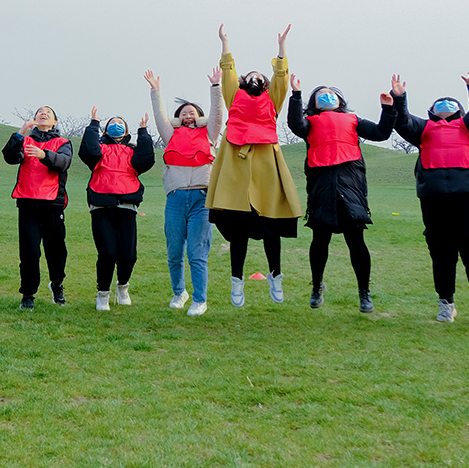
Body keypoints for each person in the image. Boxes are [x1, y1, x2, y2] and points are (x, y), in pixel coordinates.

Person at [391, 73, 469, 328]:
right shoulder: (423, 129)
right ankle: (445, 304)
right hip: (434, 197)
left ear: (460, 111)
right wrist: (399, 97)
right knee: (442, 253)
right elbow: (402, 122)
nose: (444, 106)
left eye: (450, 104)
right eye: (439, 104)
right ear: (430, 112)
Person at [206, 25, 303, 308]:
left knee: (271, 227)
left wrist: (282, 48)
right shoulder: (234, 96)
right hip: (236, 166)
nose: (255, 79)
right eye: (250, 76)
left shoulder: (271, 101)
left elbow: (281, 78)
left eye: (260, 77)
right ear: (242, 82)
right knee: (239, 231)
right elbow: (228, 73)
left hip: (266, 165)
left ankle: (275, 274)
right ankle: (237, 281)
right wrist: (225, 43)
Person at [288, 78, 396, 313]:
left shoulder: (353, 120)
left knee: (356, 240)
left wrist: (388, 108)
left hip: (351, 184)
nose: (327, 95)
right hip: (322, 185)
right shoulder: (309, 123)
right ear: (315, 103)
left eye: (331, 93)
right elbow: (295, 125)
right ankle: (317, 285)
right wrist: (296, 96)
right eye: (321, 94)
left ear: (340, 101)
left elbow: (381, 133)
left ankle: (364, 293)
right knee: (320, 239)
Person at [145, 68, 224, 317]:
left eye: (193, 112)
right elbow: (160, 117)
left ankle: (200, 299)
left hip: (202, 199)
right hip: (176, 199)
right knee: (175, 251)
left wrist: (215, 86)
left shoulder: (209, 133)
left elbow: (218, 114)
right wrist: (155, 90)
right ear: (178, 117)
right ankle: (179, 292)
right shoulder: (171, 135)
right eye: (184, 112)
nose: (188, 115)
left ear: (200, 117)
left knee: (197, 253)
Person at [79, 109, 155, 311]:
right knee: (107, 253)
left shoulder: (132, 150)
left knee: (128, 255)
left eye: (120, 122)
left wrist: (144, 131)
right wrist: (93, 124)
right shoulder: (99, 149)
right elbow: (87, 151)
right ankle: (103, 293)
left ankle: (123, 286)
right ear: (105, 130)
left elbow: (146, 160)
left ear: (126, 130)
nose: (116, 125)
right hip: (101, 205)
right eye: (112, 122)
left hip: (127, 206)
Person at [3, 106, 72, 310]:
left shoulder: (63, 143)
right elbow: (9, 157)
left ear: (55, 122)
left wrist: (44, 155)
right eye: (39, 112)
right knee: (30, 252)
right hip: (28, 203)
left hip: (53, 204)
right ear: (34, 119)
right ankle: (28, 294)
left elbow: (63, 163)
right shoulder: (25, 140)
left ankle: (57, 284)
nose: (43, 113)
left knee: (56, 250)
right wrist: (20, 133)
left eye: (48, 112)